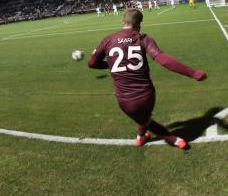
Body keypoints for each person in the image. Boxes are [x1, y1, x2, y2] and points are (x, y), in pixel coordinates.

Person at [87, 9, 207, 149]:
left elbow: (91, 63)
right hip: (148, 95)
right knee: (144, 117)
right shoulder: (143, 38)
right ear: (140, 23)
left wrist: (109, 64)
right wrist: (193, 73)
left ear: (122, 22)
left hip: (126, 100)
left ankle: (172, 139)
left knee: (144, 119)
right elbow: (163, 60)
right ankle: (141, 137)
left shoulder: (108, 40)